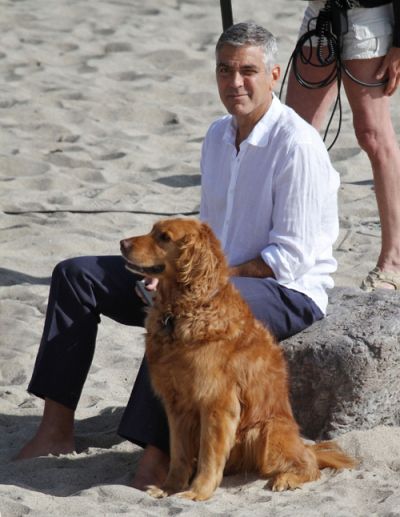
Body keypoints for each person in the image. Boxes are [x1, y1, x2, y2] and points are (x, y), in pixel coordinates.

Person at [17, 22, 340, 490]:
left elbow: (287, 258)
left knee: (180, 309)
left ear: (274, 75)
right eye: (224, 70)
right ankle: (55, 430)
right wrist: (169, 270)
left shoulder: (297, 146)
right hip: (211, 279)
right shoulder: (216, 135)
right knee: (75, 276)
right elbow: (200, 238)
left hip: (287, 290)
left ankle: (156, 459)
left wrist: (181, 283)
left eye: (248, 71)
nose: (234, 83)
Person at [286, 0, 400, 290]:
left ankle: (394, 260)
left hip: (368, 15)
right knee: (295, 137)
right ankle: (293, 250)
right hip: (319, 11)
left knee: (373, 137)